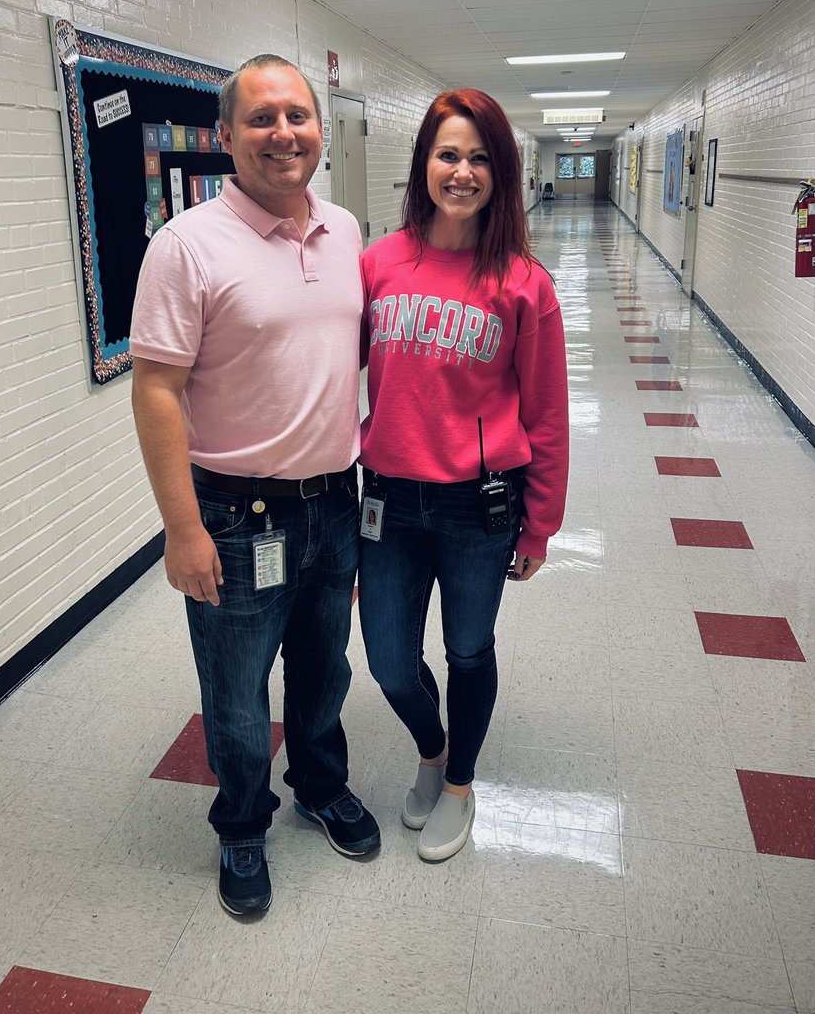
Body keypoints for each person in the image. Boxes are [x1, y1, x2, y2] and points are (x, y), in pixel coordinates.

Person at [130, 54, 380, 917]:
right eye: (263, 119)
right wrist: (181, 526)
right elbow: (156, 389)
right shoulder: (186, 245)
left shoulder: (346, 230)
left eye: (299, 116)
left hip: (333, 502)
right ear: (227, 134)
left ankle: (319, 784)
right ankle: (242, 823)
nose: (285, 134)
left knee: (323, 670)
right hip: (237, 515)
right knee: (237, 692)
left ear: (319, 130)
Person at [357, 88, 568, 862]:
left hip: (479, 507)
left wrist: (540, 525)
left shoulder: (522, 282)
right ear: (424, 163)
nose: (463, 171)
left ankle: (457, 785)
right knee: (385, 658)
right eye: (449, 153)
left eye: (481, 158)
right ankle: (433, 748)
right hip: (387, 500)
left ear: (501, 172)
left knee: (468, 651)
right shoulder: (378, 264)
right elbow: (322, 367)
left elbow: (546, 415)